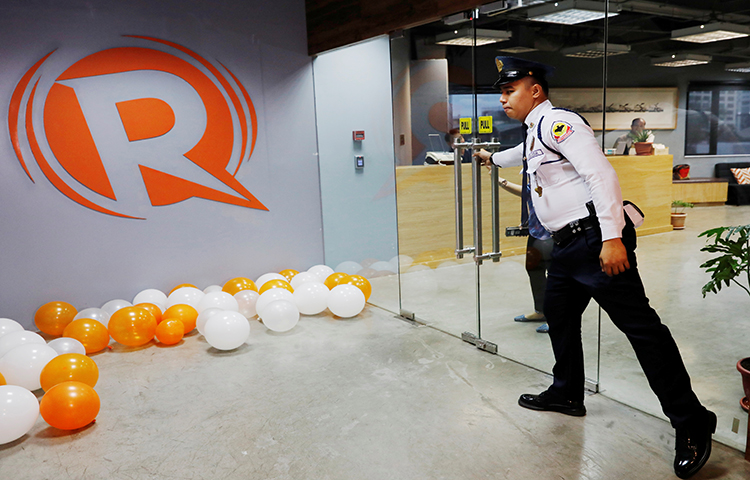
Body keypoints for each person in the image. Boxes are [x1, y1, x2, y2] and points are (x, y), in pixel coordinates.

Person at [475, 56, 715, 479]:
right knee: (560, 317)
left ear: (535, 90)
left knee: (643, 331)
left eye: (509, 90)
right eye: (502, 91)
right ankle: (567, 393)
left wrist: (611, 238)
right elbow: (518, 155)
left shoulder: (558, 124)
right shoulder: (535, 133)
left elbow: (601, 176)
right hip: (567, 249)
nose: (503, 98)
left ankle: (692, 420)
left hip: (593, 242)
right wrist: (490, 159)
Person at [492, 172, 552, 333]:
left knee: (556, 277)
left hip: (554, 234)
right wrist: (500, 180)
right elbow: (528, 193)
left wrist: (502, 180)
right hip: (536, 232)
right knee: (534, 270)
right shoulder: (535, 174)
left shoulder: (553, 174)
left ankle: (557, 318)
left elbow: (538, 195)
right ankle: (541, 311)